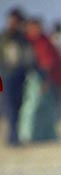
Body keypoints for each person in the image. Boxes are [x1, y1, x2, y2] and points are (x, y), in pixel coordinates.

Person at [18, 17, 61, 143]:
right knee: (32, 106)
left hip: (45, 78)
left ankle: (44, 134)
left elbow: (51, 61)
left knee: (45, 107)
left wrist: (47, 79)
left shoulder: (44, 41)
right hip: (35, 77)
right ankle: (28, 134)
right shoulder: (27, 42)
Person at [0, 7, 32, 145]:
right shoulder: (4, 37)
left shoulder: (23, 38)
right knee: (10, 106)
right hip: (7, 76)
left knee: (18, 106)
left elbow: (28, 57)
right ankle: (12, 137)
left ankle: (14, 135)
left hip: (21, 76)